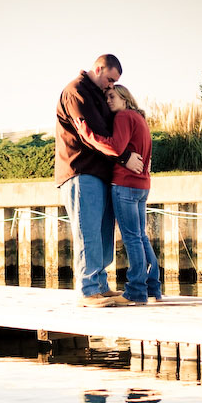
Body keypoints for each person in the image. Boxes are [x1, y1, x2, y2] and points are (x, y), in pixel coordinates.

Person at [55, 55, 143, 307]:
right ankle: (87, 290)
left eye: (115, 82)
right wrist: (125, 157)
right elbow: (90, 135)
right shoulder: (76, 92)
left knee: (104, 232)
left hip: (102, 172)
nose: (111, 85)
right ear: (98, 68)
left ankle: (101, 286)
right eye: (109, 79)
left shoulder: (97, 92)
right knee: (88, 232)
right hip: (82, 171)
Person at [74, 85, 162, 306]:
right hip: (142, 185)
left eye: (112, 96)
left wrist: (86, 133)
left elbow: (115, 146)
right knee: (140, 236)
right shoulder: (140, 118)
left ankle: (135, 292)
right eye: (106, 97)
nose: (108, 100)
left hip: (124, 185)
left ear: (125, 98)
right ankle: (153, 288)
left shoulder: (123, 117)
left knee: (132, 238)